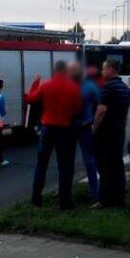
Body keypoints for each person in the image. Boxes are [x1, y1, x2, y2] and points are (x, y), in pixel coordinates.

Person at [27, 60, 83, 209]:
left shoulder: (46, 85)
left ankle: (36, 198)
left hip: (47, 128)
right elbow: (77, 109)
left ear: (54, 70)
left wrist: (35, 83)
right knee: (65, 166)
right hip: (65, 129)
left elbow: (31, 99)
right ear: (66, 71)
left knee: (42, 164)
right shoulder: (73, 87)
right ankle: (65, 202)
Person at [92, 59, 130, 208]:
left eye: (103, 69)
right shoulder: (125, 88)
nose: (102, 72)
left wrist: (94, 128)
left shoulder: (108, 87)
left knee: (104, 167)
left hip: (106, 133)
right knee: (117, 165)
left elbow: (101, 110)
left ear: (110, 69)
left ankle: (104, 200)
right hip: (119, 131)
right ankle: (118, 198)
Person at [68, 62, 101, 202]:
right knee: (76, 160)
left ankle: (94, 192)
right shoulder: (86, 86)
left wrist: (92, 120)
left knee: (86, 160)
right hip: (76, 126)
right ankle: (67, 191)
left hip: (79, 126)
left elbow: (101, 105)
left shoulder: (87, 86)